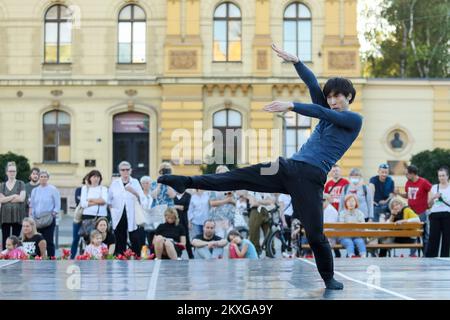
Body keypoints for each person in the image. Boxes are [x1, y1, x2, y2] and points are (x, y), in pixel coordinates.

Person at [158, 43, 363, 290]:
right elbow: (312, 86)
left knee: (315, 235)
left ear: (348, 97)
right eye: (329, 96)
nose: (332, 101)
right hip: (288, 168)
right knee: (238, 177)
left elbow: (325, 113)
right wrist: (297, 62)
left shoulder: (353, 119)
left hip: (310, 177)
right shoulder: (325, 109)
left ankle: (328, 278)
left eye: (337, 96)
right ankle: (187, 182)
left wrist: (292, 105)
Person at [108, 161, 146, 256]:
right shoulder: (115, 183)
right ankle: (120, 257)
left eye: (127, 170)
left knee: (135, 238)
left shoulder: (135, 182)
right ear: (119, 171)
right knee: (120, 238)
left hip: (132, 214)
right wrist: (112, 210)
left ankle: (135, 257)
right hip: (119, 214)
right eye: (123, 170)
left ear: (131, 171)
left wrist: (134, 192)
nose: (125, 172)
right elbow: (108, 199)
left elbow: (143, 199)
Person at [29, 170, 60, 257]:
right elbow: (32, 204)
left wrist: (53, 214)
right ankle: (37, 258)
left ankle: (51, 259)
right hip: (37, 219)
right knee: (37, 240)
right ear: (39, 178)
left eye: (45, 177)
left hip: (48, 218)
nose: (43, 178)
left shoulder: (53, 189)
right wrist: (31, 216)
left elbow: (57, 204)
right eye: (41, 176)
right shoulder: (35, 190)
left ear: (48, 178)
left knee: (48, 241)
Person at [402, 165, 432, 254]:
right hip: (412, 212)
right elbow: (408, 195)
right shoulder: (408, 183)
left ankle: (426, 254)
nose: (405, 176)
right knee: (413, 233)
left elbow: (431, 189)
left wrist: (429, 200)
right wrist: (399, 194)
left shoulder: (423, 182)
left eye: (407, 174)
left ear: (412, 174)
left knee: (424, 234)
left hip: (421, 212)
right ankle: (412, 254)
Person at [0, 162, 27, 250]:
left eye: (14, 171)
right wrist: (14, 196)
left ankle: (16, 256)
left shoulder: (21, 183)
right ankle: (4, 257)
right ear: (7, 172)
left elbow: (21, 199)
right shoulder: (2, 185)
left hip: (17, 215)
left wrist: (6, 199)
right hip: (5, 216)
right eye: (10, 171)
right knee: (5, 238)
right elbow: (1, 200)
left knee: (16, 239)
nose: (12, 173)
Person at [426, 167, 450, 257]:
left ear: (447, 176)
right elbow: (429, 204)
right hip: (435, 214)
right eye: (439, 176)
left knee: (447, 238)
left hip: (447, 214)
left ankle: (445, 257)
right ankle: (431, 257)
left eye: (443, 175)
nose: (441, 178)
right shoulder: (434, 187)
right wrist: (433, 197)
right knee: (433, 238)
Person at [247, 191, 276, 256]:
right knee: (254, 233)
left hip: (266, 211)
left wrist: (259, 201)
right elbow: (253, 203)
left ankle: (270, 250)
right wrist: (265, 202)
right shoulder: (251, 191)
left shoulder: (265, 190)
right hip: (255, 211)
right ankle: (255, 251)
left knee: (269, 232)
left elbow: (271, 202)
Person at [70, 176, 87, 259]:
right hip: (78, 216)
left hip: (89, 217)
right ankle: (71, 257)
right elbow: (78, 200)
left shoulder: (95, 190)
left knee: (89, 239)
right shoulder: (79, 190)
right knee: (75, 239)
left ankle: (87, 256)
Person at [174, 190, 194, 259]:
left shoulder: (188, 195)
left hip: (183, 219)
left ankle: (191, 256)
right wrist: (178, 206)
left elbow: (185, 207)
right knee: (176, 238)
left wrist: (174, 206)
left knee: (186, 239)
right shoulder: (173, 194)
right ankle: (178, 255)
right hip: (174, 219)